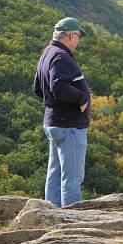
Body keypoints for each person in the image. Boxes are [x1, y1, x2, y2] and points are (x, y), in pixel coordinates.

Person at [33, 17, 90, 207]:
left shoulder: (47, 53)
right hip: (69, 125)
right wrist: (81, 99)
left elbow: (38, 89)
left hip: (54, 122)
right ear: (72, 36)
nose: (79, 41)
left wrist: (54, 106)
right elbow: (58, 86)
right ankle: (70, 223)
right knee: (72, 177)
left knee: (55, 174)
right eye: (79, 36)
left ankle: (51, 215)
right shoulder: (60, 57)